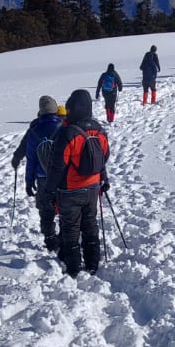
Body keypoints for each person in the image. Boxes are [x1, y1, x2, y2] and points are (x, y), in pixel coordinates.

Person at [48, 90, 110, 277]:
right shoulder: (99, 130)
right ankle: (92, 263)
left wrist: (50, 190)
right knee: (90, 224)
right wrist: (103, 178)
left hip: (70, 190)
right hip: (93, 187)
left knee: (70, 228)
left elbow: (57, 166)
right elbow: (103, 157)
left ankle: (73, 267)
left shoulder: (67, 132)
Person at [9, 95, 65, 251]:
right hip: (62, 177)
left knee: (46, 209)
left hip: (42, 178)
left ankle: (50, 239)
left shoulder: (34, 130)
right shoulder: (64, 128)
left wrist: (28, 181)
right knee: (64, 207)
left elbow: (31, 160)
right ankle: (64, 236)